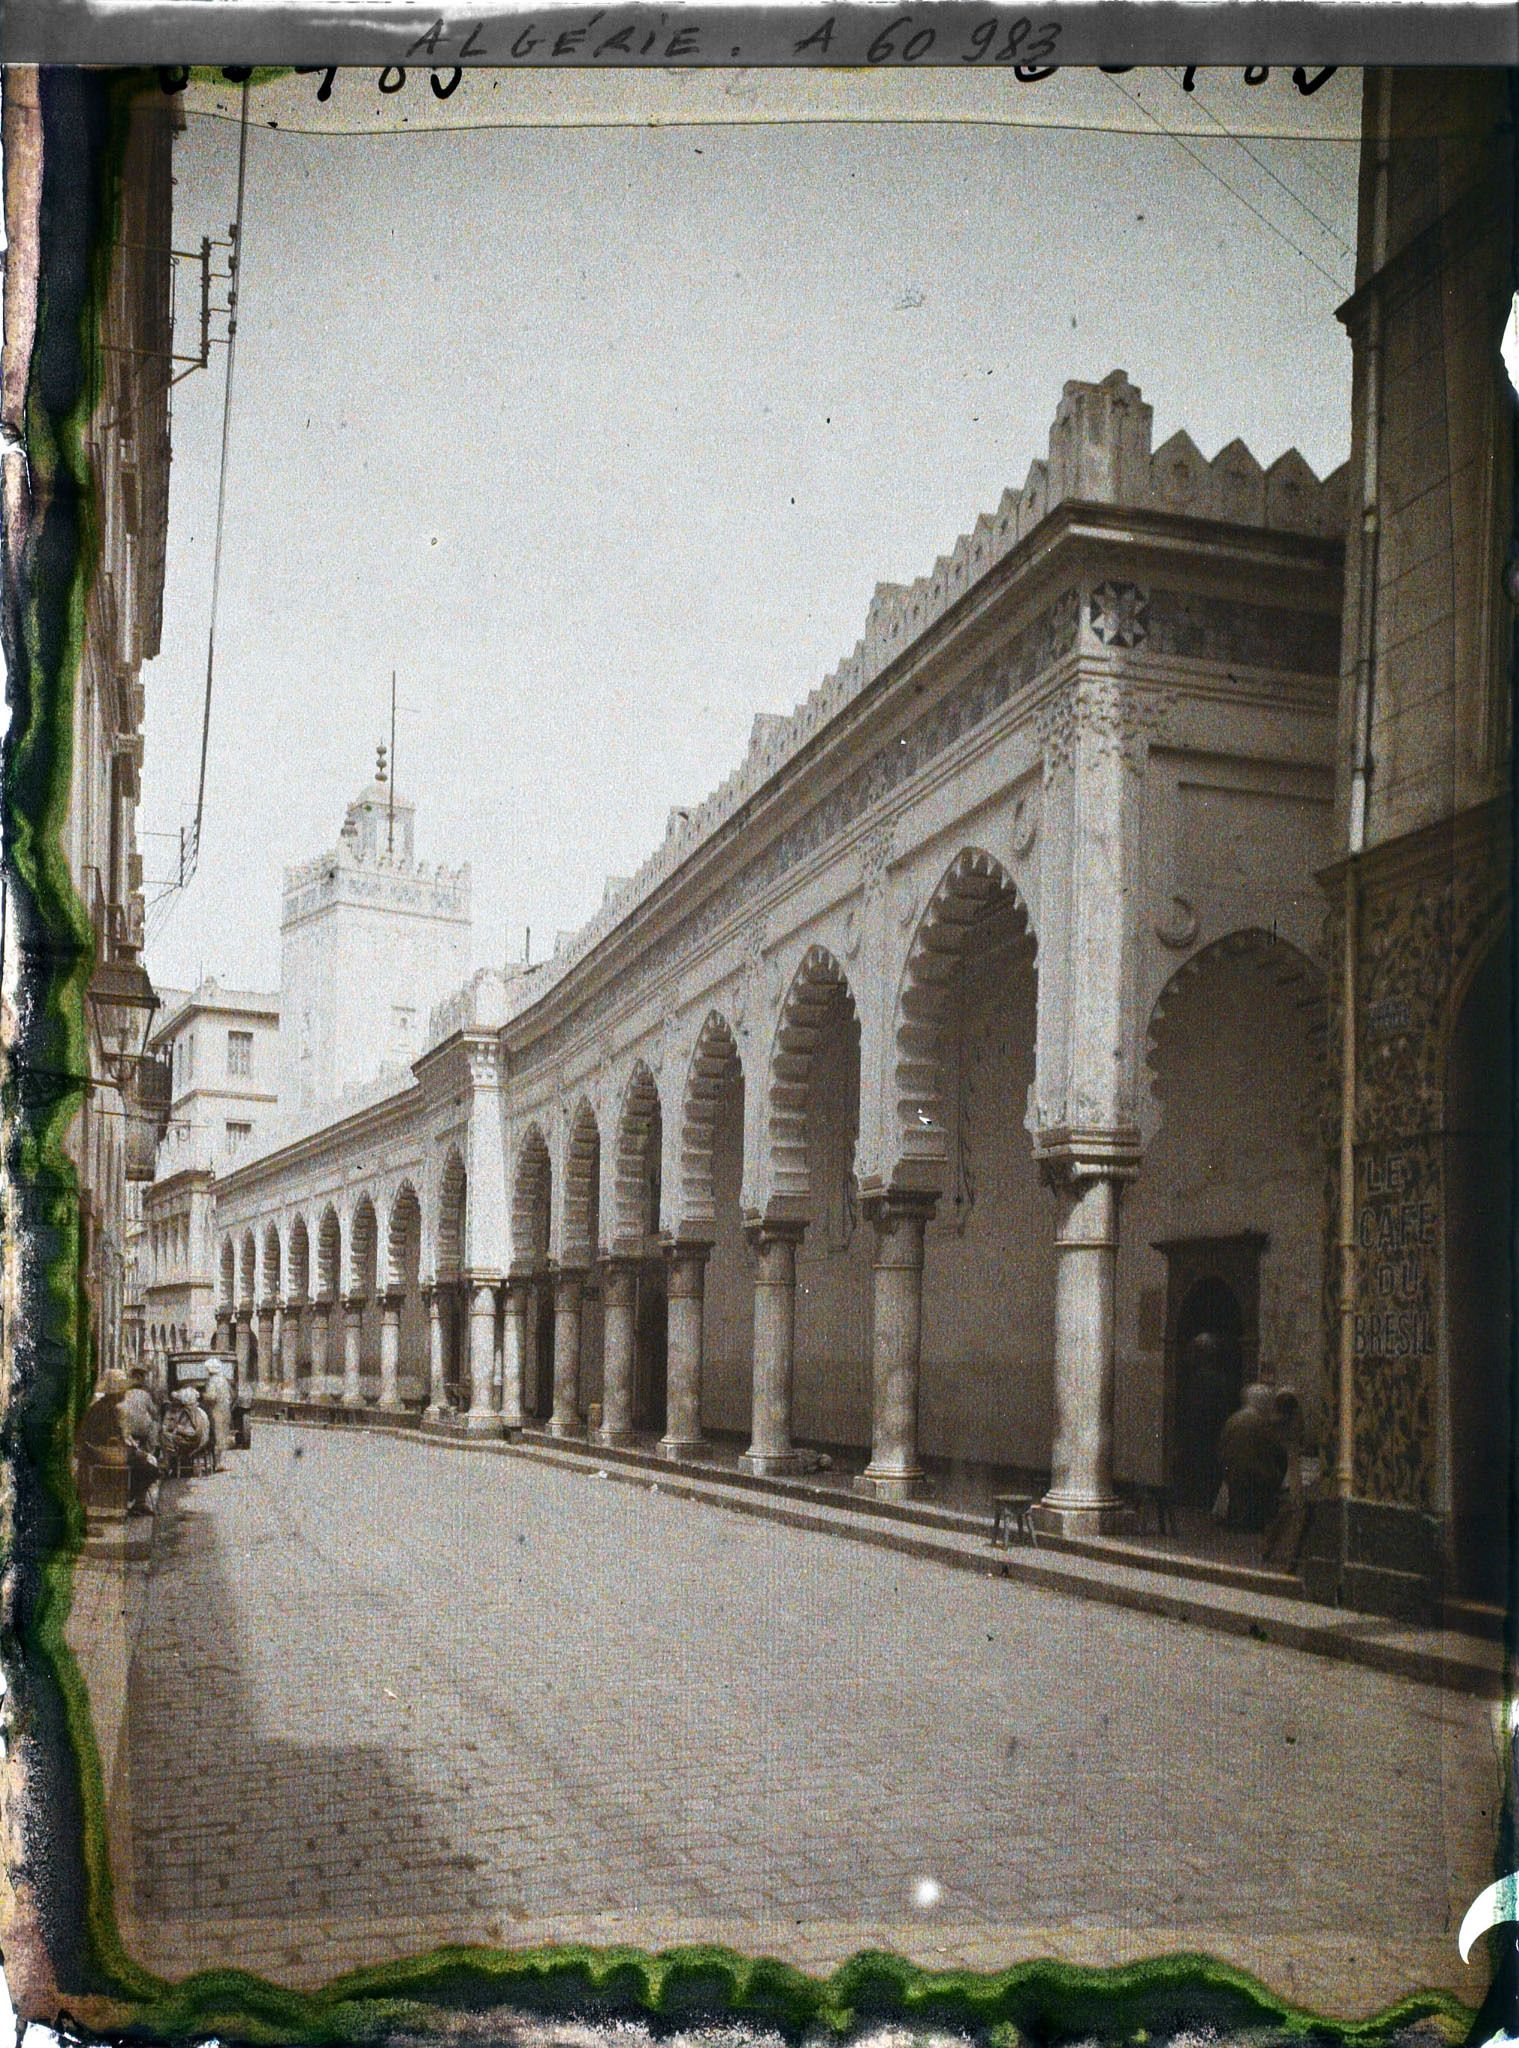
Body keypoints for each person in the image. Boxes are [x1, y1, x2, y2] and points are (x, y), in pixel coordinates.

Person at [1217, 1382, 1289, 1533]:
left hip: (1231, 1469)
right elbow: (1276, 1450)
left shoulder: (1234, 1419)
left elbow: (1222, 1444)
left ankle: (1237, 1519)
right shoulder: (1260, 1422)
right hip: (1255, 1472)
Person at [120, 1366, 162, 1516]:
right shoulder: (145, 1395)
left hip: (128, 1436)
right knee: (146, 1463)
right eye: (142, 1377)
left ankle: (137, 1500)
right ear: (138, 1378)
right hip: (137, 1437)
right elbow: (155, 1413)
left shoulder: (124, 1394)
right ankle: (140, 1500)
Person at [201, 1359, 234, 1472]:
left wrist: (203, 1396)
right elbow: (231, 1395)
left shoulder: (212, 1381)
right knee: (223, 1435)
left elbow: (212, 1397)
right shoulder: (224, 1380)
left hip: (216, 1410)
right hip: (225, 1409)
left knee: (216, 1435)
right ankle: (219, 1462)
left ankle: (217, 1463)